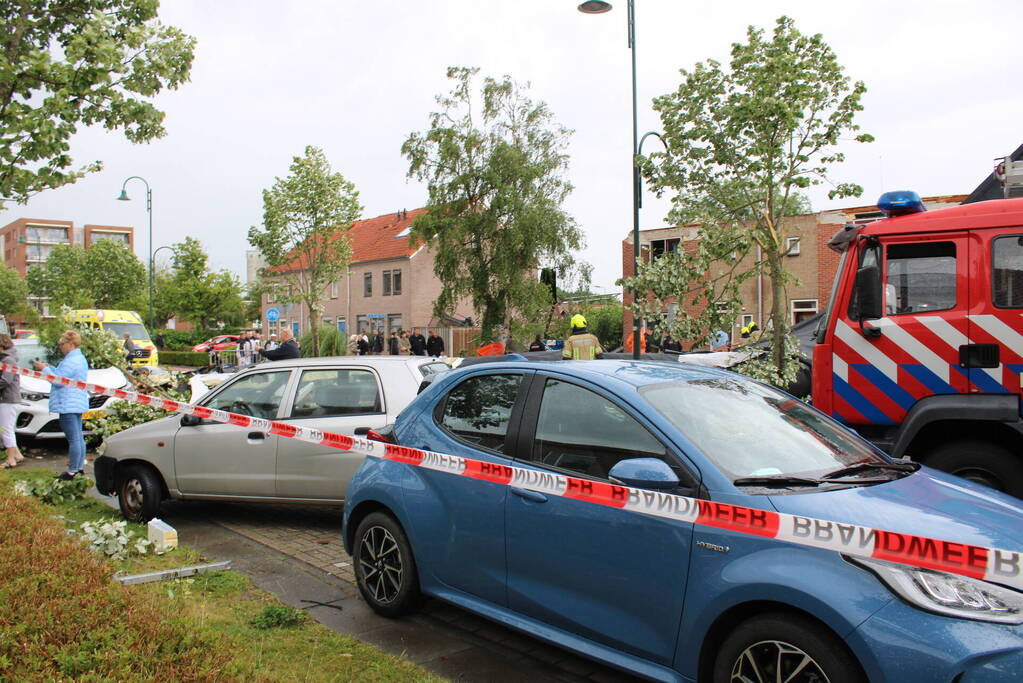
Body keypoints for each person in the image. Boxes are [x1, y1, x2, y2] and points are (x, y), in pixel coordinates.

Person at [34, 331, 89, 479]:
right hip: (75, 401)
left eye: (62, 344)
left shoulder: (72, 360)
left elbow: (57, 381)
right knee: (78, 437)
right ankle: (79, 468)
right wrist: (50, 368)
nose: (60, 347)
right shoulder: (78, 358)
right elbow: (61, 374)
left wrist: (44, 369)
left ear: (70, 344)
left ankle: (72, 471)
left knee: (74, 439)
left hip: (67, 403)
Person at [0, 335, 25, 470]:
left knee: (6, 429)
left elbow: (5, 380)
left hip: (8, 399)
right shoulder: (7, 359)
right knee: (5, 428)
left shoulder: (8, 360)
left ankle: (10, 460)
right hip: (7, 399)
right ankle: (17, 454)